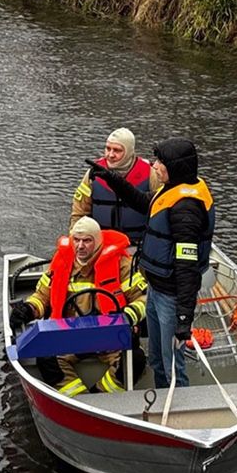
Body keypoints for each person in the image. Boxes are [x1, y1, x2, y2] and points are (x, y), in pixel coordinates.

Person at [85, 138, 214, 388]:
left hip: (171, 297)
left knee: (171, 363)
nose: (154, 166)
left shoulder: (186, 209)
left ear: (174, 167)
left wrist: (184, 317)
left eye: (160, 162)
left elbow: (187, 267)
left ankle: (177, 402)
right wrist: (112, 179)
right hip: (155, 289)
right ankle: (161, 393)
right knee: (156, 358)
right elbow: (143, 202)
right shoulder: (172, 189)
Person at [9, 217, 147, 396]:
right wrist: (29, 309)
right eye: (76, 240)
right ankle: (77, 399)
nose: (80, 246)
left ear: (97, 242)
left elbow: (143, 299)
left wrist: (128, 316)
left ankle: (102, 395)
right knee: (46, 358)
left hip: (109, 337)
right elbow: (43, 296)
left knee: (136, 359)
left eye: (87, 241)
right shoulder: (61, 264)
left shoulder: (121, 265)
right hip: (70, 336)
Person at [69, 127, 162, 245]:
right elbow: (79, 212)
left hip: (137, 245)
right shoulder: (93, 174)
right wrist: (75, 240)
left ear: (129, 151)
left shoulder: (151, 173)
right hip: (100, 245)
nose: (110, 155)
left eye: (117, 150)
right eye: (108, 149)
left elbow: (161, 214)